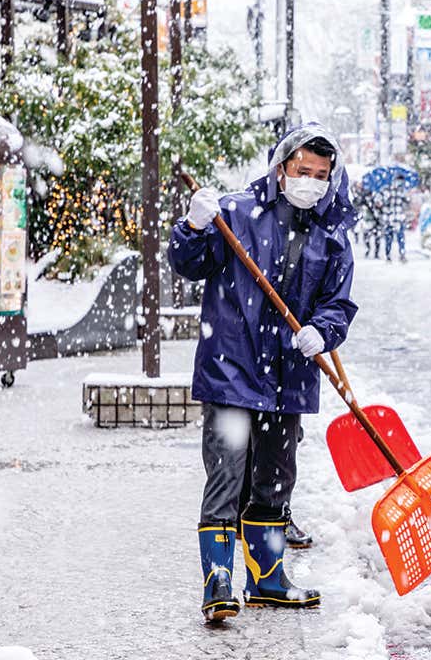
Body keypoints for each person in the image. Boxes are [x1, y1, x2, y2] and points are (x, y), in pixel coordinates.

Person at [169, 123, 357, 622]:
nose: (311, 181)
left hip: (289, 377)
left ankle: (268, 577)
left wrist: (323, 330)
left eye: (321, 175)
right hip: (232, 365)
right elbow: (189, 263)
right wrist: (192, 226)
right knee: (227, 475)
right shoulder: (234, 214)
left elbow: (337, 303)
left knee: (275, 480)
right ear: (281, 168)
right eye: (303, 171)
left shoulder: (331, 234)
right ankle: (218, 581)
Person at [381, 172, 411, 263]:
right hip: (389, 218)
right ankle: (388, 255)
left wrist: (406, 199)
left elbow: (406, 204)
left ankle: (402, 255)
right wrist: (387, 198)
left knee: (401, 238)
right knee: (388, 239)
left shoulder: (403, 191)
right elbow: (382, 202)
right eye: (399, 181)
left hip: (399, 218)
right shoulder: (387, 189)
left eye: (402, 182)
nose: (400, 183)